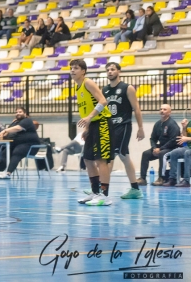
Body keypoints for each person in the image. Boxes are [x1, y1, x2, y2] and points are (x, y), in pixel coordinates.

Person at [71, 59, 113, 206]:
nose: (72, 70)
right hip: (92, 126)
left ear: (83, 71)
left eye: (76, 68)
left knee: (101, 159)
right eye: (71, 68)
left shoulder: (88, 83)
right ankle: (95, 193)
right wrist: (86, 129)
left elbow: (103, 101)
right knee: (88, 159)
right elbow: (86, 110)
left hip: (102, 123)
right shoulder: (78, 88)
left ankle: (105, 195)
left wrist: (90, 117)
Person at [103, 62, 145, 199]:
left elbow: (136, 109)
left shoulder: (127, 88)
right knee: (124, 156)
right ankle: (135, 189)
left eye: (113, 69)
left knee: (112, 156)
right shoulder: (105, 90)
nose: (110, 72)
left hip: (124, 125)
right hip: (110, 127)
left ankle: (102, 189)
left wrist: (140, 128)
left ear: (119, 71)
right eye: (108, 70)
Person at [138, 104, 180, 186]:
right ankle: (143, 178)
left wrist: (160, 149)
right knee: (145, 154)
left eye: (164, 109)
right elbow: (152, 138)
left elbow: (173, 140)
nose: (162, 111)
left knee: (162, 154)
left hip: (172, 148)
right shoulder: (157, 124)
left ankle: (161, 178)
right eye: (161, 109)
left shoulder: (172, 124)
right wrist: (154, 148)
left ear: (169, 112)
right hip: (160, 147)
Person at [0, 107, 41, 178]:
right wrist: (5, 133)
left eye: (20, 112)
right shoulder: (15, 122)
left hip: (30, 146)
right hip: (17, 145)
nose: (18, 113)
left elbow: (18, 128)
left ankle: (8, 173)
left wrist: (4, 131)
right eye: (17, 112)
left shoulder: (27, 120)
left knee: (17, 151)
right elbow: (8, 132)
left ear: (25, 114)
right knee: (5, 153)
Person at [168, 120, 191, 187]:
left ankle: (186, 180)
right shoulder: (189, 123)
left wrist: (187, 138)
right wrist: (184, 128)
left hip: (188, 150)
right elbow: (185, 136)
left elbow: (187, 138)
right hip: (188, 147)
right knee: (174, 153)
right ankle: (173, 178)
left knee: (187, 153)